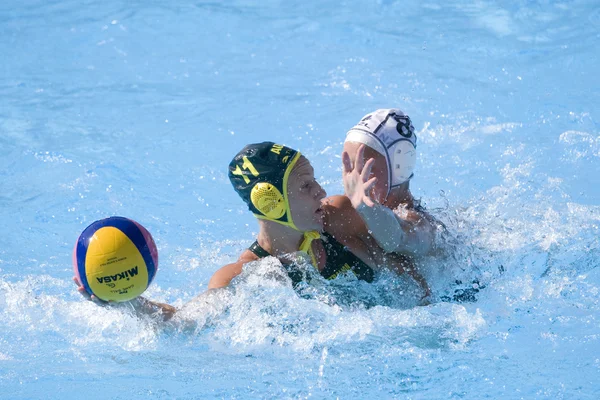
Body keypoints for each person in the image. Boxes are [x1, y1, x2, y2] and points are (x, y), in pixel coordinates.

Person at [75, 141, 431, 319]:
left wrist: (371, 212)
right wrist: (126, 303)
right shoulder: (246, 276)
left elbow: (417, 242)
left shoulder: (336, 216)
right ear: (270, 202)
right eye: (306, 185)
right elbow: (183, 323)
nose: (321, 191)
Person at [324, 109, 439, 257]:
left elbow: (397, 240)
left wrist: (365, 207)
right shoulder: (345, 211)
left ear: (399, 167)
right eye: (348, 167)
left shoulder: (424, 226)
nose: (353, 180)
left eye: (364, 168)